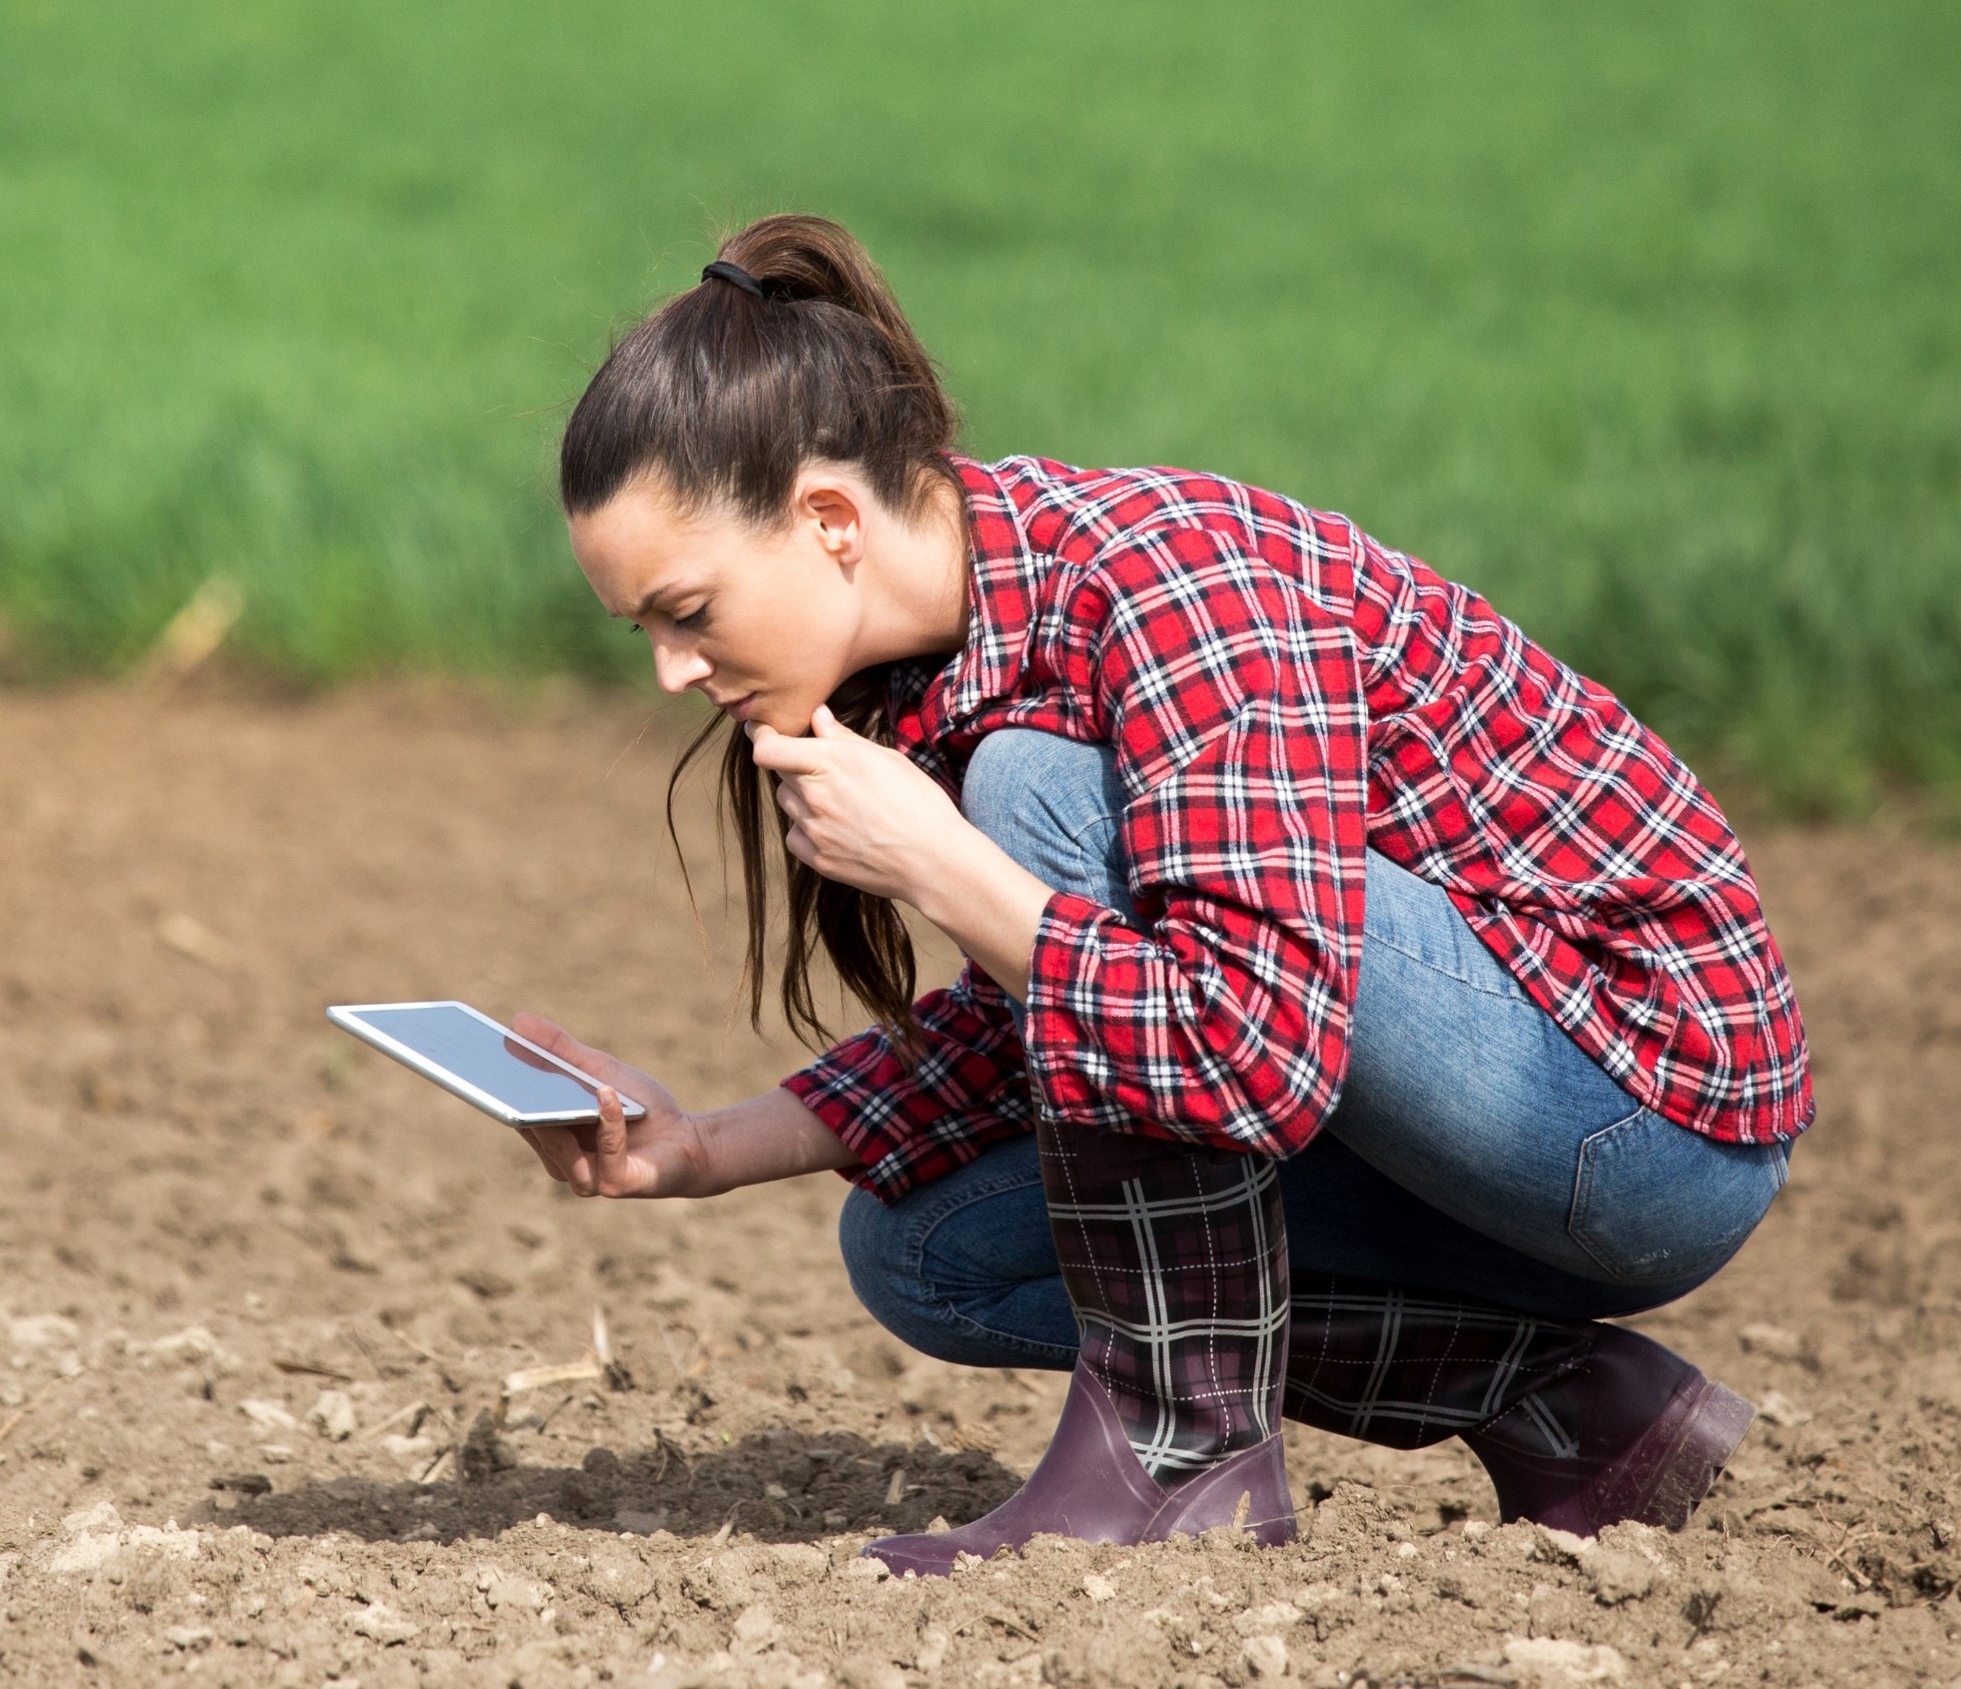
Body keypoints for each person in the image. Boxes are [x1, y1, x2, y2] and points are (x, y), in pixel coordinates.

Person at [516, 214, 1811, 1575]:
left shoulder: (1172, 587)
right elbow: (1072, 1002)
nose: (672, 670)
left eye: (688, 610)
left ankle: (1179, 1452)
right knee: (931, 1252)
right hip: (1431, 1121)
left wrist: (948, 862)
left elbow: (1245, 1053)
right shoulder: (939, 668)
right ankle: (1567, 1408)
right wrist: (707, 1147)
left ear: (829, 520)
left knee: (1034, 795)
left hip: (1634, 1118)